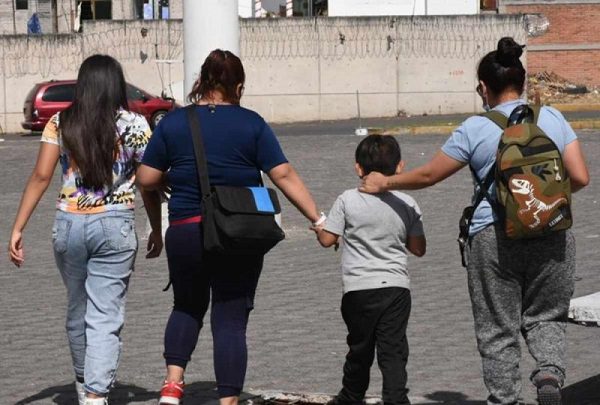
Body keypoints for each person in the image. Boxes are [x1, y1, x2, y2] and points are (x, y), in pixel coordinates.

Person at [359, 37, 589, 405]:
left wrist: (383, 181)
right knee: (547, 316)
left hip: (493, 238)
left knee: (498, 329)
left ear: (484, 87)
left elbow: (429, 176)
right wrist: (537, 203)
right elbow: (580, 178)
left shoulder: (475, 128)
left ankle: (505, 399)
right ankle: (548, 374)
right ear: (523, 82)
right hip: (552, 234)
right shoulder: (552, 117)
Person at [137, 49, 323, 405]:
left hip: (186, 230)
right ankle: (228, 400)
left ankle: (172, 386)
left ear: (202, 82)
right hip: (238, 233)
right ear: (238, 86)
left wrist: (167, 179)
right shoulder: (252, 123)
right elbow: (281, 173)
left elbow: (146, 177)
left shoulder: (173, 123)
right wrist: (318, 219)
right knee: (230, 316)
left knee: (186, 306)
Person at [8, 55, 163, 405]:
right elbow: (147, 184)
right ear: (115, 85)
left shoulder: (61, 122)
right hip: (115, 225)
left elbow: (41, 176)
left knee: (78, 310)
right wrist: (156, 228)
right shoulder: (136, 124)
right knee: (105, 316)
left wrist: (18, 227)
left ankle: (83, 385)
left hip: (69, 225)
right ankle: (95, 395)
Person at [313, 135, 426, 405]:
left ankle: (351, 396)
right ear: (400, 167)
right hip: (396, 289)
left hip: (358, 289)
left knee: (359, 347)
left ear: (358, 168)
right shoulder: (407, 203)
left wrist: (319, 227)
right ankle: (396, 398)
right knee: (393, 350)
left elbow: (328, 240)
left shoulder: (347, 200)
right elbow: (419, 248)